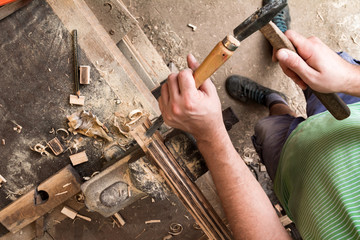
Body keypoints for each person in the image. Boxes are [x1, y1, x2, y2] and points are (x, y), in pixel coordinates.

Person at [158, 2, 360, 239]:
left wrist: (209, 136)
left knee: (270, 127)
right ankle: (278, 35)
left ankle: (273, 100)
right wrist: (350, 78)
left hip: (297, 172)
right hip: (351, 102)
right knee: (307, 61)